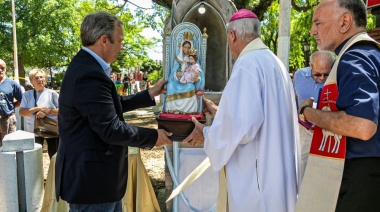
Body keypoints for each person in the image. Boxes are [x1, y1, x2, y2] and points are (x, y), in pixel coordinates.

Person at [183, 9, 299, 211]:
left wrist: (207, 134)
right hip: (279, 173)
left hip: (258, 179)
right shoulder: (275, 63)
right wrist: (219, 111)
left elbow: (242, 125)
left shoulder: (247, 64)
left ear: (232, 35)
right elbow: (260, 115)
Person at [55, 11, 172, 210]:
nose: (122, 46)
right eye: (119, 40)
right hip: (92, 184)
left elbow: (110, 105)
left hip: (97, 181)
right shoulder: (89, 73)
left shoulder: (86, 67)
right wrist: (154, 137)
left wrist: (149, 94)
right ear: (103, 40)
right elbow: (111, 128)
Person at [298, 0, 380, 211]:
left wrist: (308, 113)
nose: (311, 31)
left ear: (345, 22)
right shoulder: (371, 54)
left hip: (359, 177)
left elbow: (363, 126)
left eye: (318, 23)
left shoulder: (355, 56)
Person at [293, 50, 335, 178]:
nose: (322, 78)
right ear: (310, 66)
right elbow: (293, 100)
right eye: (317, 74)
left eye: (326, 74)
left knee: (325, 171)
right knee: (300, 166)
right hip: (304, 130)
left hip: (328, 131)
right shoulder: (299, 76)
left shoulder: (337, 78)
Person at [19, 69, 59, 159]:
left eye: (42, 77)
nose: (40, 80)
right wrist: (37, 109)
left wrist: (49, 111)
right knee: (34, 158)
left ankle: (53, 173)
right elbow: (21, 112)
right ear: (31, 81)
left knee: (54, 156)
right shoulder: (27, 95)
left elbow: (63, 111)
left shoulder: (52, 94)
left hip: (52, 130)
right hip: (34, 132)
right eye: (36, 78)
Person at [164, 35, 204, 114]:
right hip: (178, 82)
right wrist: (176, 74)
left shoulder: (193, 61)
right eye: (185, 47)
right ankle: (172, 109)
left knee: (191, 87)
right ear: (181, 47)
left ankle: (189, 110)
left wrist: (197, 79)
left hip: (188, 83)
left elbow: (200, 74)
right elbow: (171, 76)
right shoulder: (178, 60)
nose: (186, 49)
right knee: (170, 85)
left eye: (188, 47)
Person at [0, 59, 23, 145]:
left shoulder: (12, 84)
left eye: (2, 68)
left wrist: (10, 107)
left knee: (8, 147)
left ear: (5, 69)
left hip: (8, 120)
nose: (0, 70)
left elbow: (21, 100)